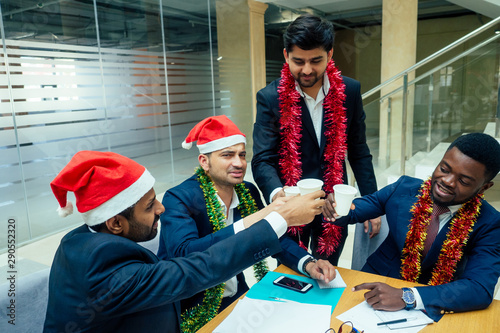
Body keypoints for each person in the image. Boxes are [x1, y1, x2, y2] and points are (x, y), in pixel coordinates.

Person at [43, 150, 325, 333]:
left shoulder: (78, 239)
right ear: (116, 223)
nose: (161, 209)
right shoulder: (103, 269)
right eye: (150, 205)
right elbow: (197, 268)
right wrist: (280, 218)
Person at [157, 115, 336, 331]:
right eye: (227, 155)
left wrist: (308, 263)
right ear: (204, 161)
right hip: (190, 309)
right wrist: (264, 216)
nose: (239, 163)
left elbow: (275, 235)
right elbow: (186, 256)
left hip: (236, 297)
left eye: (242, 155)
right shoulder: (178, 198)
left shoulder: (247, 191)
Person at [252, 13, 380, 266]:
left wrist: (371, 203)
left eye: (316, 60)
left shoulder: (350, 91)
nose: (307, 70)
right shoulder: (270, 97)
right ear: (286, 55)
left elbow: (358, 151)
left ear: (330, 54)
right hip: (292, 202)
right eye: (298, 61)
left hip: (335, 203)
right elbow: (263, 159)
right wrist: (280, 196)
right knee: (294, 271)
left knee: (327, 273)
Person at [330, 133, 500, 322]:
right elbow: (355, 211)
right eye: (444, 169)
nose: (447, 181)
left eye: (464, 181)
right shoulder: (404, 188)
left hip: (436, 304)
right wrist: (335, 207)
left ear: (484, 187)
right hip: (374, 288)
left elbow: (479, 288)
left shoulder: (490, 223)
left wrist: (408, 297)